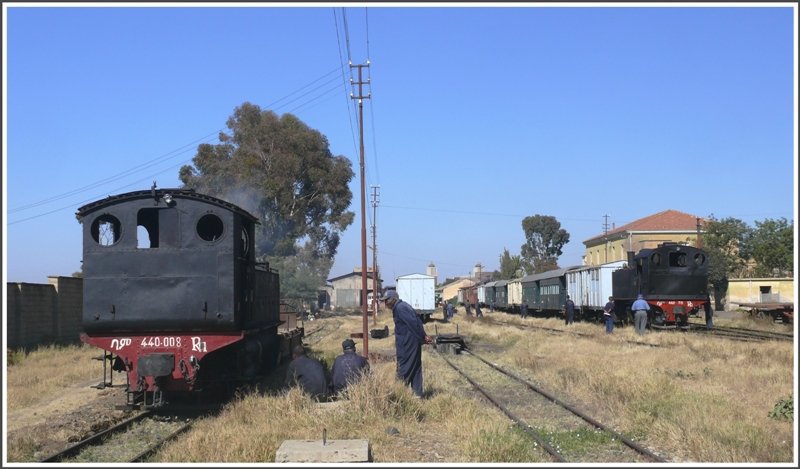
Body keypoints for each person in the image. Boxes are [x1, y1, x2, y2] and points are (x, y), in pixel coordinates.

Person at [381, 289, 433, 398]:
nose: (385, 304)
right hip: (410, 342)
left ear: (393, 299)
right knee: (415, 367)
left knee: (404, 368)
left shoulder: (400, 308)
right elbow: (417, 320)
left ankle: (398, 396)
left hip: (407, 345)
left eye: (387, 301)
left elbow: (414, 323)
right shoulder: (400, 307)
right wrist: (423, 336)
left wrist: (422, 337)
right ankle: (417, 394)